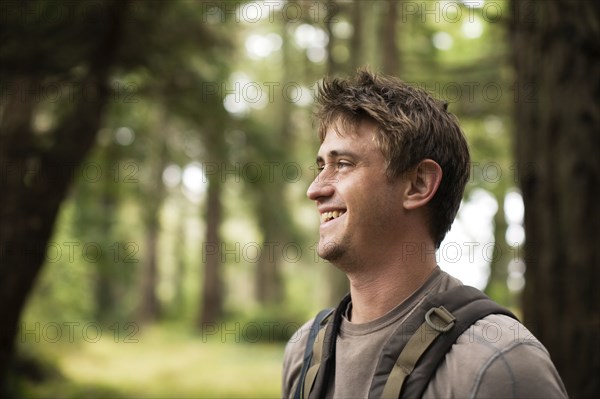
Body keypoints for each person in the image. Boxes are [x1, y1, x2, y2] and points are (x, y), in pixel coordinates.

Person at [282, 70, 567, 398]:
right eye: (321, 167)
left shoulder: (499, 363)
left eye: (343, 164)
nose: (314, 189)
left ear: (418, 185)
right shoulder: (305, 352)